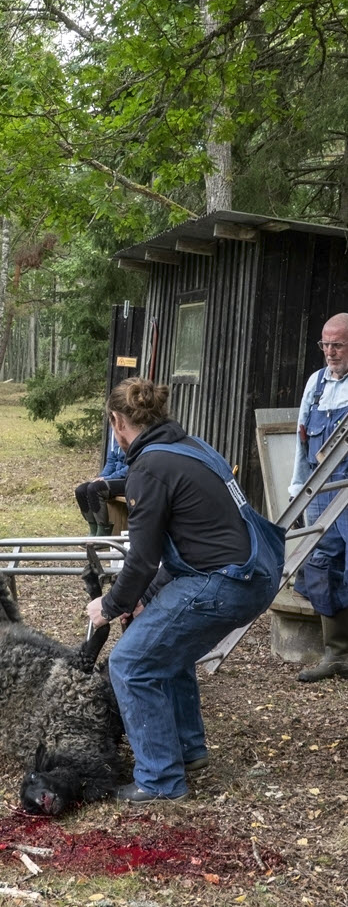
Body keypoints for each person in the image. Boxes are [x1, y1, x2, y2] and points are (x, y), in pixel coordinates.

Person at [87, 378, 283, 804]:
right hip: (257, 570)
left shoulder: (149, 468)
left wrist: (111, 604)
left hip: (225, 579)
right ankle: (187, 750)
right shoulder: (191, 446)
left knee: (131, 663)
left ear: (118, 422)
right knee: (164, 649)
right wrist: (144, 598)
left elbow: (141, 559)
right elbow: (193, 538)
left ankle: (159, 781)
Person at [289, 312, 348, 682]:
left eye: (337, 344)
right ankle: (337, 655)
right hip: (322, 492)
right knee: (323, 568)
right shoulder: (317, 383)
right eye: (324, 344)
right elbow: (302, 441)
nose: (329, 351)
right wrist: (298, 489)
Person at [74, 432, 128, 537]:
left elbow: (134, 465)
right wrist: (102, 477)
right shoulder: (113, 432)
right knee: (81, 490)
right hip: (115, 477)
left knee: (95, 489)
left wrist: (109, 478)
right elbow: (111, 461)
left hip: (130, 478)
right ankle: (94, 530)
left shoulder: (134, 428)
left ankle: (103, 534)